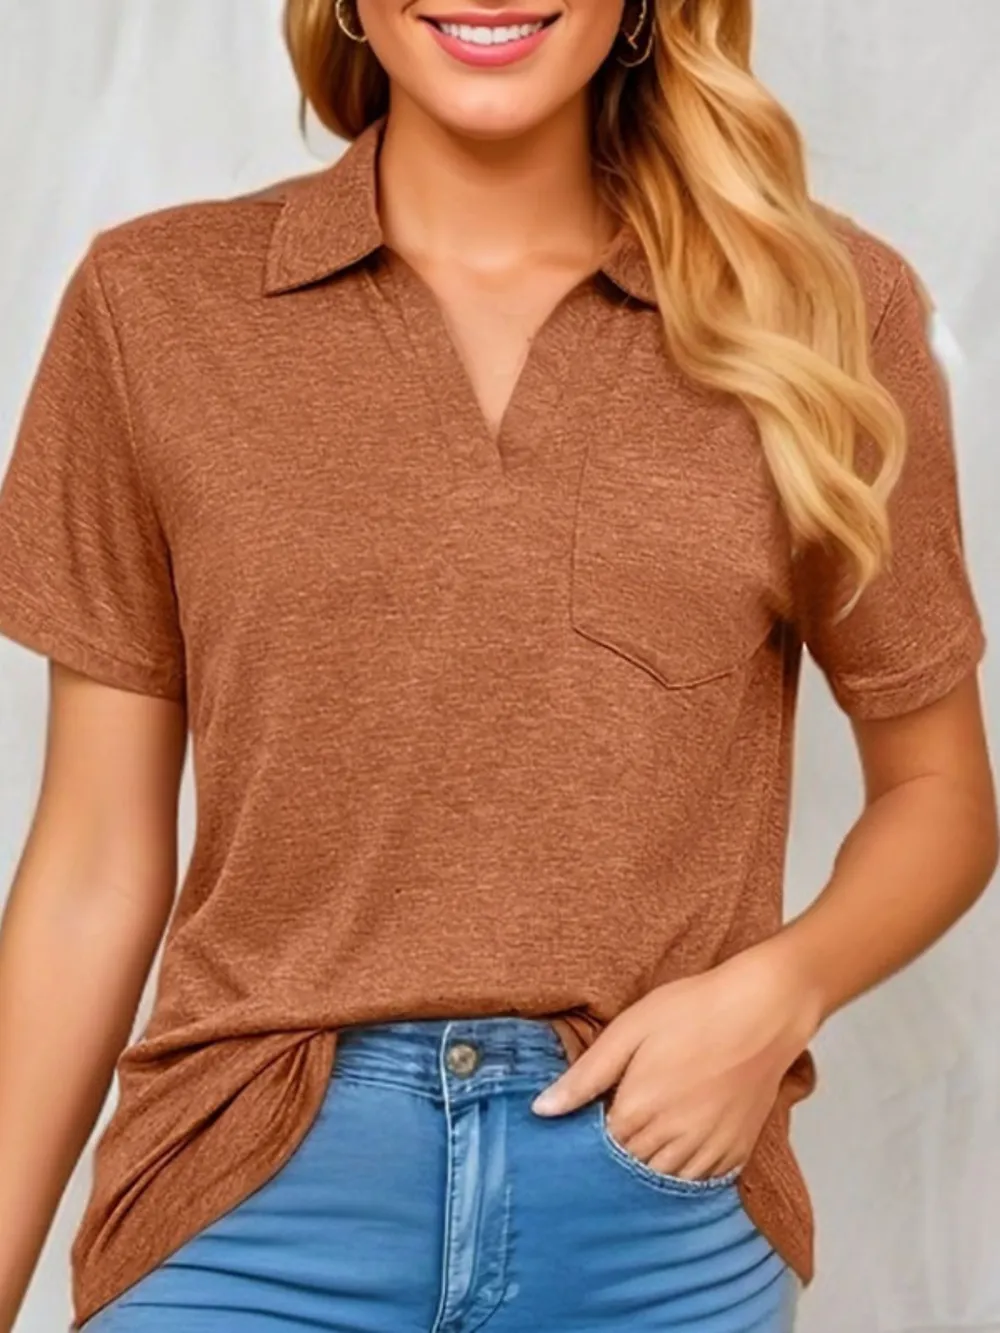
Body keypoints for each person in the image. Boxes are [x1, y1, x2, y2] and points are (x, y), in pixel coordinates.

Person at [0, 1, 995, 1330]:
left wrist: (776, 994)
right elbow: (92, 864)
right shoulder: (155, 306)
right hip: (247, 1203)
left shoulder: (823, 311)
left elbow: (940, 793)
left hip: (652, 1228)